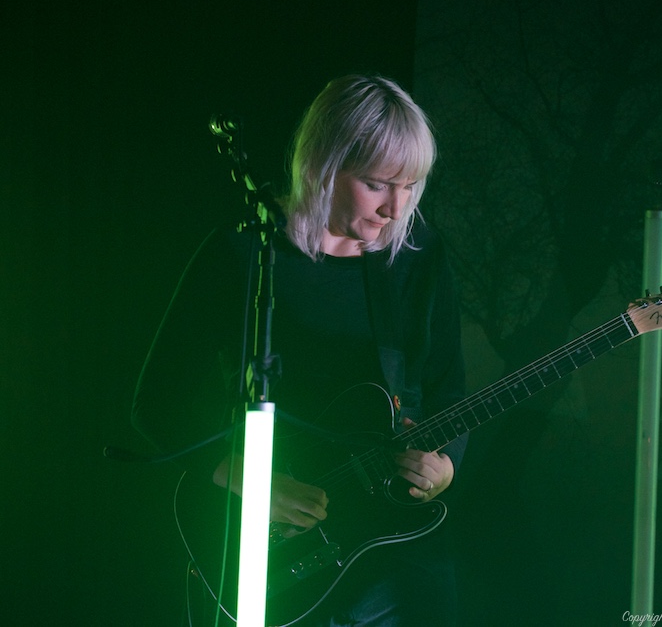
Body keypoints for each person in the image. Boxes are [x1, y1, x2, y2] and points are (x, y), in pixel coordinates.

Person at [131, 74, 468, 626]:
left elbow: (447, 385)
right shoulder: (244, 252)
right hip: (278, 544)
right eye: (379, 184)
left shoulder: (419, 255)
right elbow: (157, 401)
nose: (396, 207)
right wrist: (248, 479)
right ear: (324, 165)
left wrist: (447, 462)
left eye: (411, 186)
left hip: (393, 541)